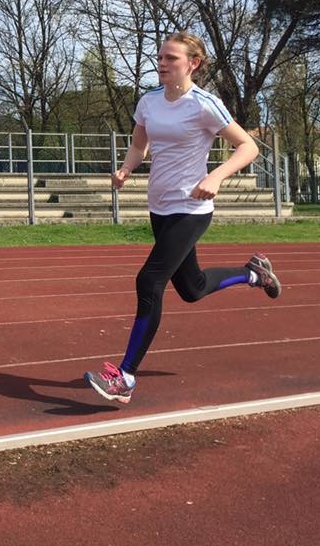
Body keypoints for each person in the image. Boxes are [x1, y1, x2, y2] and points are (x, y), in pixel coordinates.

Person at [85, 32, 281, 404]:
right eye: (160, 57)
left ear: (193, 63)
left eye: (171, 58)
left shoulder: (205, 105)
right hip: (159, 207)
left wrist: (215, 177)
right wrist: (125, 169)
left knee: (149, 280)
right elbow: (139, 144)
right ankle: (255, 273)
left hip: (191, 209)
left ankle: (125, 378)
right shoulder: (149, 101)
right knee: (192, 288)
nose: (162, 64)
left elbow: (249, 146)